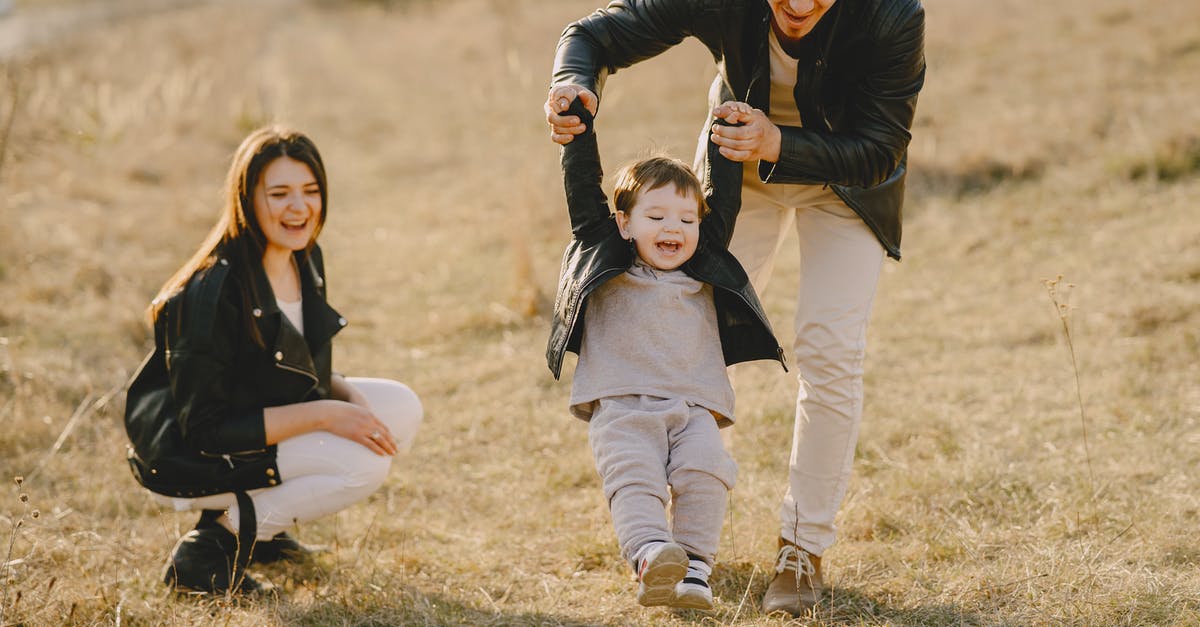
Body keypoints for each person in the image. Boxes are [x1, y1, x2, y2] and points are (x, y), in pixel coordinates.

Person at [544, 0, 926, 616]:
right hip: (734, 179)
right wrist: (572, 84)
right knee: (683, 327)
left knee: (830, 353)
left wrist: (779, 140)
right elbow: (593, 34)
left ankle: (802, 548)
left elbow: (882, 147)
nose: (798, 7)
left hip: (848, 186)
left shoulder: (893, 15)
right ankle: (665, 538)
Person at [123, 125, 423, 594]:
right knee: (363, 466)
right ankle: (210, 548)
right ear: (247, 200)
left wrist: (343, 391)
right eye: (279, 193)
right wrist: (327, 413)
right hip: (191, 455)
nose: (299, 207)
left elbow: (280, 367)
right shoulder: (212, 292)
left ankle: (263, 534)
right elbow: (204, 428)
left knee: (402, 407)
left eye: (310, 191)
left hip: (248, 428)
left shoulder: (304, 257)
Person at [547, 98, 784, 610]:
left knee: (705, 474)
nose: (673, 229)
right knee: (635, 478)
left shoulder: (705, 265)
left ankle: (695, 568)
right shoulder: (605, 253)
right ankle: (653, 556)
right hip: (622, 404)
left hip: (694, 405)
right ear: (624, 223)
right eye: (655, 216)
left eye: (685, 218)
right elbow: (583, 190)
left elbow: (724, 196)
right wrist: (577, 129)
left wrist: (727, 126)